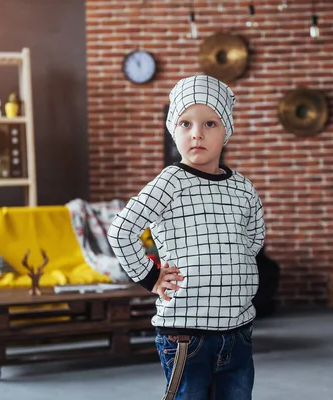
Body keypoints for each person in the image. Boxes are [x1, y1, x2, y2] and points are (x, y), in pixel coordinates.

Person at [107, 75, 265, 400]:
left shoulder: (243, 188)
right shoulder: (170, 182)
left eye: (210, 123)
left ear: (227, 131)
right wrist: (150, 277)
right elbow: (121, 230)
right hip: (186, 335)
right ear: (173, 130)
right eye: (185, 123)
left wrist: (230, 267)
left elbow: (253, 239)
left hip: (237, 330)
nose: (197, 133)